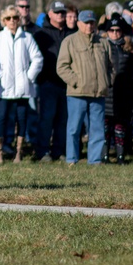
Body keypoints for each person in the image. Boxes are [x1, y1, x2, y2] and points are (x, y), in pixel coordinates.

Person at [57, 9, 113, 165]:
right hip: (77, 93)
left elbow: (111, 67)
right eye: (86, 23)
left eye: (92, 22)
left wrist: (106, 81)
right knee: (74, 129)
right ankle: (72, 159)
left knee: (97, 130)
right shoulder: (70, 41)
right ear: (78, 23)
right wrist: (76, 81)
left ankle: (94, 160)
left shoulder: (103, 42)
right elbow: (61, 67)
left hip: (98, 93)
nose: (89, 25)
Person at [0, 4, 43, 163]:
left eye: (15, 18)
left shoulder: (27, 38)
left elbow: (37, 58)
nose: (12, 21)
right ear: (3, 20)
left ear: (19, 19)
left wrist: (29, 76)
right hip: (4, 87)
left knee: (22, 118)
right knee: (1, 117)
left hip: (22, 86)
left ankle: (18, 152)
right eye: (8, 18)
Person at [33, 0, 73, 161]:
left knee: (63, 120)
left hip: (67, 84)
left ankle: (59, 150)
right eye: (57, 12)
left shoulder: (71, 34)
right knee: (46, 119)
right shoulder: (41, 34)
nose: (61, 15)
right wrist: (41, 79)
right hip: (48, 83)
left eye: (63, 12)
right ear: (49, 14)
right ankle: (43, 151)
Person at [102, 13, 133, 164]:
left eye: (118, 30)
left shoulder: (129, 49)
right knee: (105, 126)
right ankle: (104, 155)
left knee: (120, 126)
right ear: (107, 31)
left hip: (124, 93)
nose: (115, 33)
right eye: (112, 30)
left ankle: (120, 156)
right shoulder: (102, 46)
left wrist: (132, 90)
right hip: (107, 92)